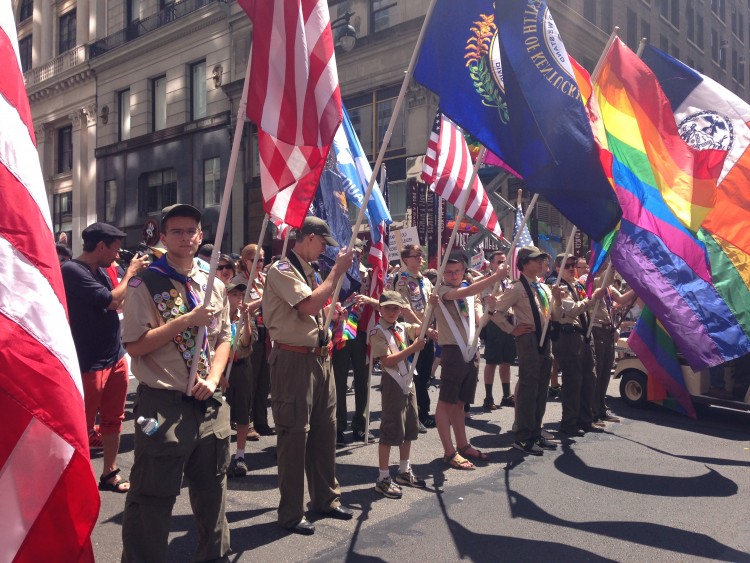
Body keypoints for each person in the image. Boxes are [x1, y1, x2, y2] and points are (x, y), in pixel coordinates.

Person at [121, 204, 233, 562]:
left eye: (191, 231)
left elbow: (225, 338)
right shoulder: (145, 283)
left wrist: (214, 378)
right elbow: (136, 344)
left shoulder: (213, 281)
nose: (186, 238)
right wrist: (184, 321)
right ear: (164, 237)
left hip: (208, 403)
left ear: (201, 235)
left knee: (213, 493)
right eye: (177, 232)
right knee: (152, 497)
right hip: (162, 405)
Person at [262, 216, 355, 535]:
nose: (322, 251)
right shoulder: (282, 269)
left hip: (319, 358)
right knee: (294, 436)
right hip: (292, 360)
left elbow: (317, 308)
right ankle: (290, 512)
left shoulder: (309, 269)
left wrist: (331, 313)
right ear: (309, 237)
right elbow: (307, 304)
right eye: (321, 244)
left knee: (324, 432)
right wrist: (337, 271)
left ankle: (326, 499)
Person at [61, 223, 149, 493]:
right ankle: (76, 479)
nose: (117, 254)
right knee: (82, 427)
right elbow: (110, 300)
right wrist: (130, 272)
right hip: (89, 362)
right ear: (100, 246)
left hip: (114, 357)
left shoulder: (100, 271)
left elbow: (120, 301)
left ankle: (109, 472)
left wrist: (134, 278)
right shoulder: (72, 270)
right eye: (114, 248)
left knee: (114, 419)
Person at [433, 251, 506, 470]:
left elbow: (479, 322)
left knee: (460, 402)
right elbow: (464, 291)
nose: (453, 275)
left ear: (464, 270)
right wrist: (495, 277)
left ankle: (463, 445)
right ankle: (449, 451)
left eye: (457, 271)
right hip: (453, 351)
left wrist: (491, 309)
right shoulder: (442, 290)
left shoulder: (470, 295)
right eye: (448, 272)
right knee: (446, 401)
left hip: (471, 350)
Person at [490, 246, 555, 456]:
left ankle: (536, 431)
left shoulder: (543, 287)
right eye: (536, 260)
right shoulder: (517, 288)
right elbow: (495, 312)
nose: (540, 264)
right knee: (528, 388)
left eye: (541, 260)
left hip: (546, 339)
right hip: (528, 339)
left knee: (542, 387)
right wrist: (512, 330)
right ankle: (523, 436)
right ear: (525, 263)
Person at [370, 291, 433, 498]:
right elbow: (386, 361)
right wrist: (413, 349)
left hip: (408, 381)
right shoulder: (377, 332)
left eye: (396, 308)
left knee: (409, 427)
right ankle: (383, 477)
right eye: (387, 307)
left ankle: (404, 470)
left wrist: (431, 307)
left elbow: (421, 328)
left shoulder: (403, 327)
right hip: (392, 381)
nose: (392, 312)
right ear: (380, 308)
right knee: (390, 429)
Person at [551, 254, 604, 436]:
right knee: (573, 381)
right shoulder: (559, 287)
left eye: (574, 264)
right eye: (567, 265)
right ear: (557, 268)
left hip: (584, 335)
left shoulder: (577, 284)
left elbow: (585, 308)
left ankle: (586, 419)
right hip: (570, 336)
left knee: (590, 378)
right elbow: (572, 309)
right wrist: (593, 299)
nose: (572, 268)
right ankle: (569, 422)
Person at [333, 238, 373, 445]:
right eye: (352, 252)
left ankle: (361, 423)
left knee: (363, 378)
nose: (356, 255)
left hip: (363, 329)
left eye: (358, 252)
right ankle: (339, 425)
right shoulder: (338, 271)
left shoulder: (371, 272)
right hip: (342, 329)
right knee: (339, 379)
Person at [395, 244, 436, 430]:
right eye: (416, 255)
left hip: (427, 333)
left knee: (426, 375)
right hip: (412, 334)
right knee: (414, 375)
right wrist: (423, 328)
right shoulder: (402, 279)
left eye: (421, 255)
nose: (420, 258)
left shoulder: (426, 281)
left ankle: (424, 412)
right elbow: (404, 308)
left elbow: (431, 307)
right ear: (406, 259)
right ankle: (416, 414)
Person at [238, 243, 274, 437]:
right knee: (249, 381)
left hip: (265, 332)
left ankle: (262, 421)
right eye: (255, 260)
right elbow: (240, 308)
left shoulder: (264, 279)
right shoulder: (239, 281)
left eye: (261, 259)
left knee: (263, 381)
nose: (260, 263)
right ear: (245, 261)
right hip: (249, 332)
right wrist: (263, 299)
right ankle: (247, 422)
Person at [224, 276, 258, 477]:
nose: (238, 298)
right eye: (233, 294)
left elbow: (246, 342)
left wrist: (245, 318)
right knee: (221, 412)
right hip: (222, 369)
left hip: (241, 366)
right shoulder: (218, 316)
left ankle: (240, 455)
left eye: (241, 294)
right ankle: (220, 454)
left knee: (243, 412)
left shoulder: (245, 317)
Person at [480, 251, 516, 411]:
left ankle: (507, 395)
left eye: (505, 262)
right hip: (494, 322)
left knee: (507, 361)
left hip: (509, 321)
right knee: (492, 361)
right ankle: (488, 397)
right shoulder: (487, 282)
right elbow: (488, 302)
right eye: (500, 261)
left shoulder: (510, 282)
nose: (504, 264)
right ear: (492, 264)